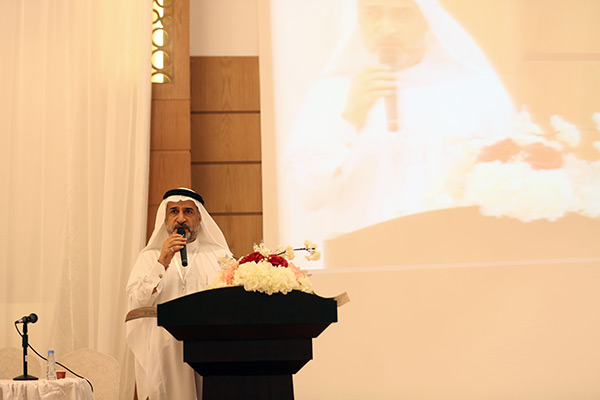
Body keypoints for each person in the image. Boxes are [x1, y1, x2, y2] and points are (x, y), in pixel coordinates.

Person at [279, 0, 516, 253]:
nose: (386, 28)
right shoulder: (331, 91)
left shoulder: (476, 90)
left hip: (454, 255)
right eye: (372, 13)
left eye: (402, 14)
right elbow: (307, 194)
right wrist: (350, 118)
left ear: (427, 19)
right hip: (364, 258)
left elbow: (511, 184)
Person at [126, 188, 231, 400]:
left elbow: (232, 304)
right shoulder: (150, 258)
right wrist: (162, 262)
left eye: (188, 212)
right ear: (165, 219)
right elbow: (137, 301)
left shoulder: (219, 256)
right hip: (165, 352)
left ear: (199, 218)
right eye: (174, 211)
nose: (181, 218)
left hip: (209, 350)